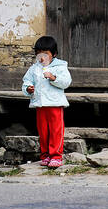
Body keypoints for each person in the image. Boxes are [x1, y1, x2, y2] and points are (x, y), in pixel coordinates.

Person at [22, 36, 72, 168]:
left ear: (54, 54)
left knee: (56, 131)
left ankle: (56, 156)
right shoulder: (34, 68)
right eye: (39, 54)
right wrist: (28, 89)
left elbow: (66, 82)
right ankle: (45, 155)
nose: (41, 58)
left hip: (55, 104)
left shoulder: (60, 66)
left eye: (45, 54)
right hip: (40, 104)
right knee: (43, 132)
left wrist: (53, 77)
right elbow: (26, 81)